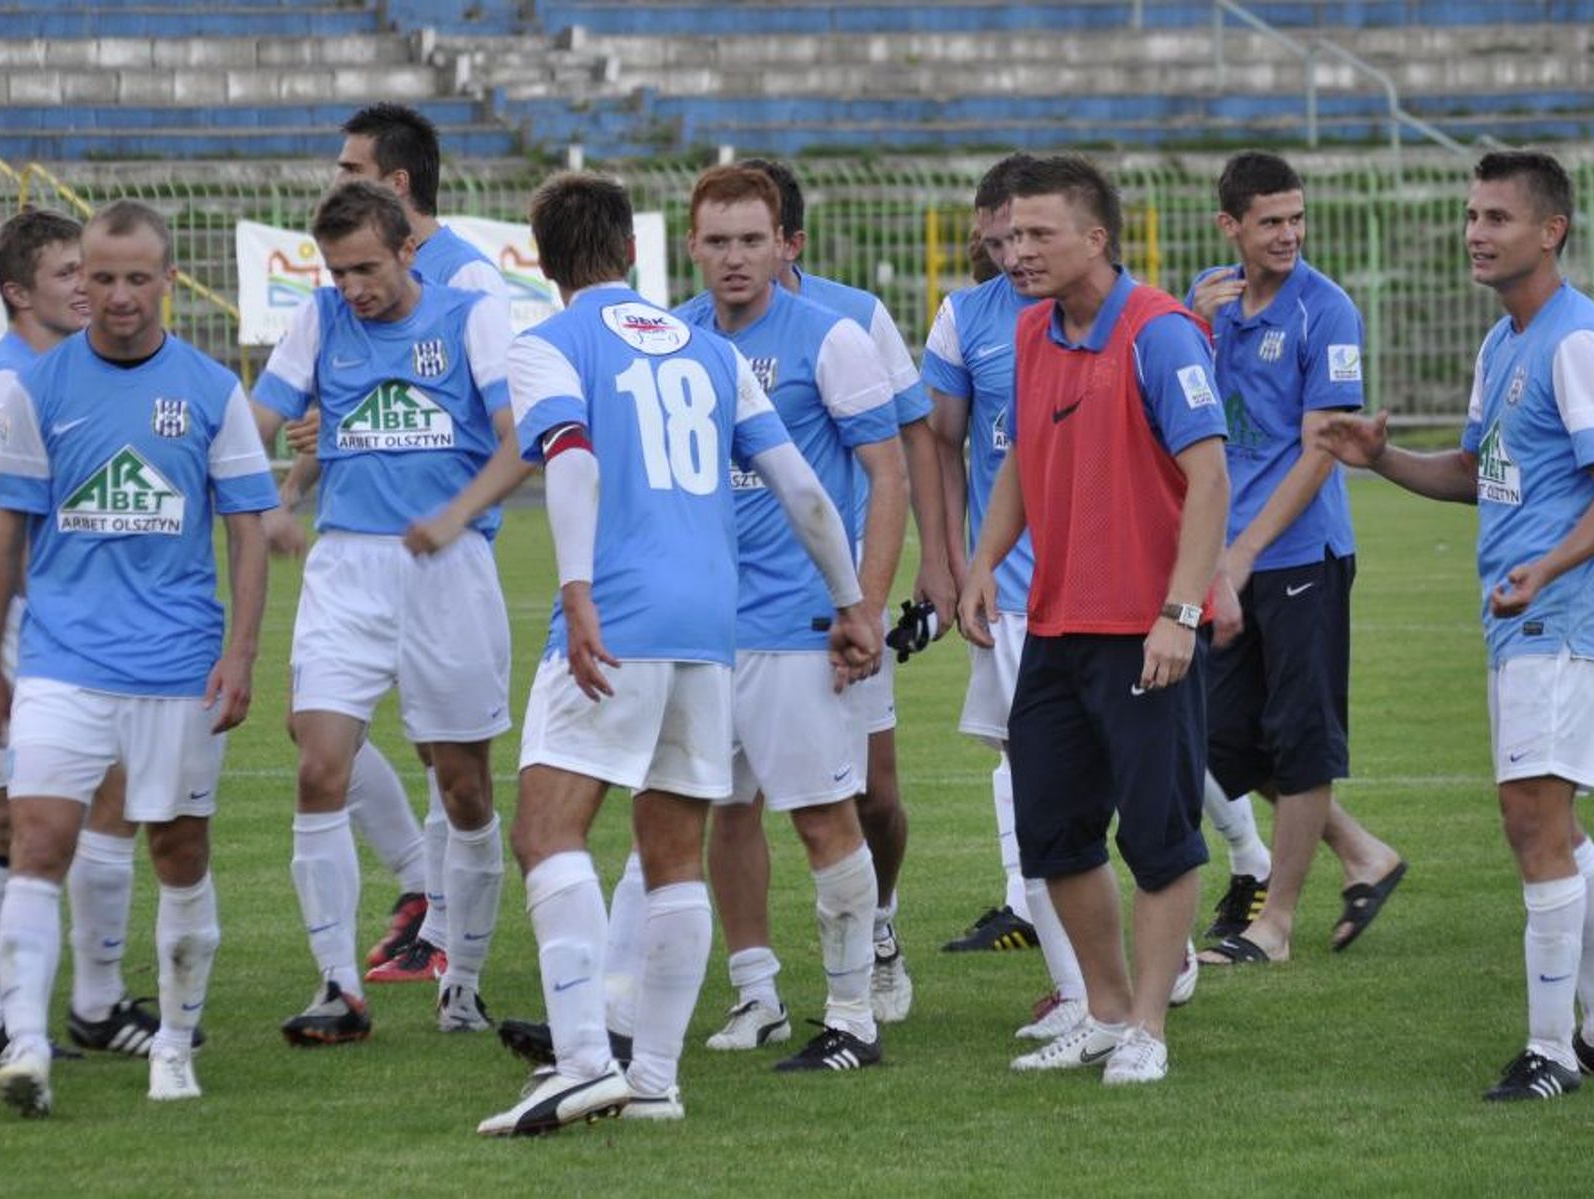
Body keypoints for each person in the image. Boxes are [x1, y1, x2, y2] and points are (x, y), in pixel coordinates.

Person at [475, 170, 878, 1136]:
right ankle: (651, 1077)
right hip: (714, 623)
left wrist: (575, 588)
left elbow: (569, 458)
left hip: (618, 614)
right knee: (672, 852)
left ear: (544, 259)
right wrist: (852, 601)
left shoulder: (547, 343)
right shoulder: (708, 350)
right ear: (631, 252)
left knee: (546, 832)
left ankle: (580, 1062)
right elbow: (806, 492)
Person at [1317, 150, 1594, 1101]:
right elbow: (1477, 474)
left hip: (1562, 616)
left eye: (1497, 216)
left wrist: (1544, 566)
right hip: (1522, 617)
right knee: (1554, 822)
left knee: (1530, 821)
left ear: (1551, 231)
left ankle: (1552, 1052)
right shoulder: (1506, 342)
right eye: (1471, 214)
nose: (1475, 231)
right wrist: (1382, 460)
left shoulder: (1578, 342)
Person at [0, 200, 276, 1114]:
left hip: (178, 667)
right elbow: (5, 536)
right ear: (79, 281)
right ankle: (26, 1046)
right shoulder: (40, 387)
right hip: (64, 661)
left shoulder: (213, 390)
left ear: (167, 282)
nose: (116, 296)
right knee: (38, 839)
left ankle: (175, 1044)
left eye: (136, 278)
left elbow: (249, 531)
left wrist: (241, 653)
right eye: (98, 277)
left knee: (180, 852)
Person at [959, 155, 1231, 1085]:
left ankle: (1150, 1024)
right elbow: (1023, 465)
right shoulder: (1033, 334)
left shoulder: (1162, 332)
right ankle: (1107, 1011)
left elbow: (1209, 479)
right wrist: (983, 562)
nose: (1017, 251)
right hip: (1055, 626)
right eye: (1009, 236)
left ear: (1095, 238)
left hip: (1144, 629)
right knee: (1054, 833)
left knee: (1157, 836)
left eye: (1039, 235)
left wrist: (1179, 613)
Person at [674, 158, 944, 1027]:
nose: (735, 258)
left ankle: (858, 991)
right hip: (707, 623)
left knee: (847, 808)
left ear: (783, 241)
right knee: (721, 808)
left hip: (807, 620)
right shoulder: (672, 338)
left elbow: (889, 470)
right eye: (718, 242)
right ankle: (757, 993)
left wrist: (863, 602)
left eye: (751, 239)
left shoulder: (833, 333)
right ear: (693, 248)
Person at [251, 180, 520, 1045]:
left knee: (465, 784)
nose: (353, 287)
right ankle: (337, 986)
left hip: (449, 568)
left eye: (366, 267)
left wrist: (453, 514)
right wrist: (268, 502)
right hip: (348, 568)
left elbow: (524, 438)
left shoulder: (469, 317)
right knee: (317, 761)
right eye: (336, 272)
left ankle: (463, 979)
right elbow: (253, 421)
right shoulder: (321, 322)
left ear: (408, 250)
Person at [0, 210, 152, 1065]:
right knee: (28, 802)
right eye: (69, 273)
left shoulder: (55, 373)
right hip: (17, 613)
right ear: (19, 292)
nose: (86, 287)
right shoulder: (5, 384)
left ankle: (52, 1002)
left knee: (94, 786)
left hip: (44, 614)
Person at [1185, 151, 1406, 968]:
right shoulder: (1205, 301)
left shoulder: (1328, 310)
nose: (1288, 235)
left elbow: (1324, 449)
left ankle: (1273, 924)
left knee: (1300, 736)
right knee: (1217, 740)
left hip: (1300, 553)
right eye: (1271, 221)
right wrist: (1191, 325)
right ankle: (1364, 854)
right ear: (1230, 226)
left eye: (1296, 218)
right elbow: (1178, 409)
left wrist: (1241, 552)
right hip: (1225, 556)